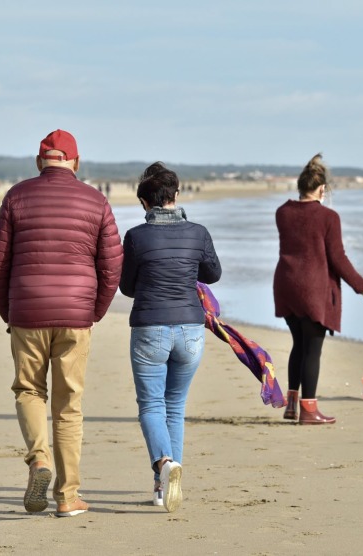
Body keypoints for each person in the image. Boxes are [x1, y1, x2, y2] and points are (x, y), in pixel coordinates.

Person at [0, 129, 123, 518]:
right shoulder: (96, 200)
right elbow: (112, 266)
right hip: (76, 316)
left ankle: (39, 460)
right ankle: (67, 496)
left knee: (29, 390)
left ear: (38, 162)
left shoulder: (16, 196)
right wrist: (93, 311)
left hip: (27, 312)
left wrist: (9, 311)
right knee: (68, 405)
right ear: (76, 163)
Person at [119, 162, 221, 512]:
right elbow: (213, 273)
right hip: (191, 329)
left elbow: (127, 287)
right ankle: (164, 488)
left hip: (150, 327)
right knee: (175, 406)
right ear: (176, 195)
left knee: (151, 405)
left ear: (145, 202)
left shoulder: (136, 236)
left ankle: (164, 465)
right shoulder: (198, 232)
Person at [273, 153, 363, 425]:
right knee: (312, 349)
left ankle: (292, 405)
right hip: (312, 289)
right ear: (322, 189)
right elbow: (337, 258)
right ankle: (308, 410)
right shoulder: (329, 217)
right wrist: (361, 285)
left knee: (299, 344)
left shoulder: (283, 212)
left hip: (286, 285)